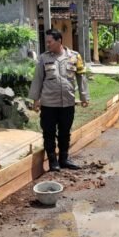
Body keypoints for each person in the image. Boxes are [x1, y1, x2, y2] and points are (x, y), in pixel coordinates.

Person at [29, 28, 90, 171]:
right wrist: (36, 100)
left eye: (50, 42)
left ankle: (64, 159)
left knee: (65, 132)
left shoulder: (75, 56)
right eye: (47, 42)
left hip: (67, 103)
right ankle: (53, 161)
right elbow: (37, 79)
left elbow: (81, 77)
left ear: (59, 41)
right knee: (49, 133)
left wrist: (84, 96)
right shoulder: (43, 58)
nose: (47, 44)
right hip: (49, 104)